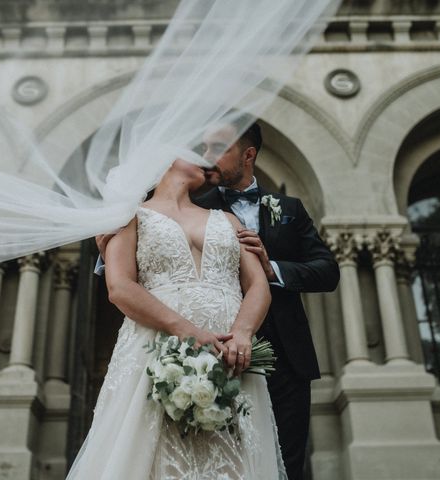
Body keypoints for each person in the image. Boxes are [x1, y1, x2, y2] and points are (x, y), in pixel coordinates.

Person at [67, 159, 287, 479]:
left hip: (230, 355)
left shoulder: (229, 219)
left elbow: (257, 286)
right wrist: (187, 331)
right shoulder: (128, 216)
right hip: (156, 349)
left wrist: (242, 333)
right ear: (165, 157)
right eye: (193, 151)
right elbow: (120, 287)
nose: (206, 159)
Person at [193, 118, 341, 480]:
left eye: (218, 148)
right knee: (222, 459)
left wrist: (272, 269)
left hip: (287, 358)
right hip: (220, 350)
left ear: (248, 154)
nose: (206, 157)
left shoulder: (289, 208)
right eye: (204, 148)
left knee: (286, 461)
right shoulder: (195, 208)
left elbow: (327, 271)